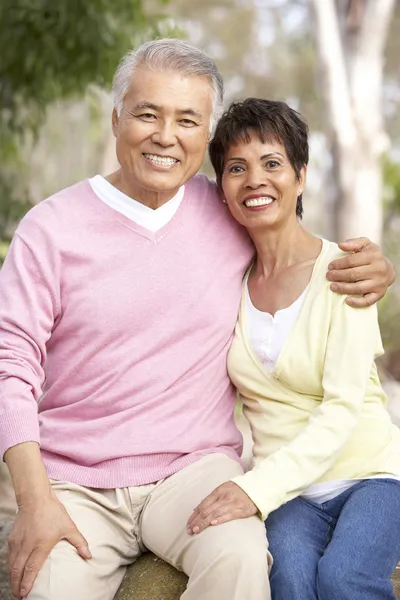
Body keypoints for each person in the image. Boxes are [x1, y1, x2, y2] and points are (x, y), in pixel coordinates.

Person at [0, 40, 394, 600]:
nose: (166, 136)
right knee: (45, 590)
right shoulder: (50, 229)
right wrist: (35, 501)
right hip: (76, 482)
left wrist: (375, 266)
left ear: (204, 134)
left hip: (193, 470)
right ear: (116, 119)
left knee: (241, 562)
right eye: (147, 114)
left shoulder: (230, 207)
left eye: (187, 120)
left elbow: (296, 244)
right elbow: (10, 367)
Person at [187, 98, 400, 600]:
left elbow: (343, 408)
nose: (254, 179)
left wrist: (253, 490)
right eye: (236, 168)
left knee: (343, 578)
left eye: (272, 164)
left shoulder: (345, 272)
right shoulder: (228, 283)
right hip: (292, 495)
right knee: (288, 579)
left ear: (300, 177)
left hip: (373, 476)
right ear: (222, 191)